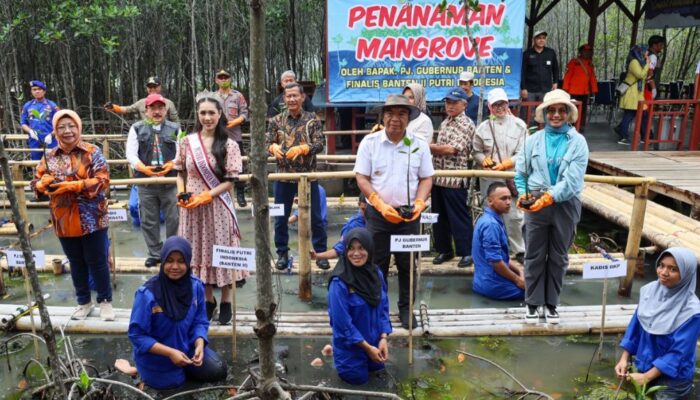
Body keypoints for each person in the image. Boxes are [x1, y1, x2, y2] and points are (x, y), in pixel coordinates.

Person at [354, 94, 433, 329]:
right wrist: (377, 202)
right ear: (383, 116)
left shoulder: (418, 144)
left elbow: (427, 178)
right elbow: (362, 177)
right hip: (379, 215)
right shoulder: (370, 143)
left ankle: (406, 308)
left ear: (409, 118)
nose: (395, 119)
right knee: (377, 264)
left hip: (409, 216)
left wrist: (420, 202)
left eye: (401, 114)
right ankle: (379, 309)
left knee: (408, 264)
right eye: (390, 113)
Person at [31, 110, 114, 321]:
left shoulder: (91, 152)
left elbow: (103, 180)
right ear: (55, 130)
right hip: (63, 219)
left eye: (71, 126)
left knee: (97, 261)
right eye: (61, 127)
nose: (67, 131)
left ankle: (105, 301)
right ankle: (83, 302)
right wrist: (40, 185)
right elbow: (37, 184)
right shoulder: (49, 156)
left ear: (79, 127)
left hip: (92, 217)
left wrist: (77, 185)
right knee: (75, 261)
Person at [514, 89, 588, 324]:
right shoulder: (533, 139)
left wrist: (550, 196)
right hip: (535, 201)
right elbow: (521, 173)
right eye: (551, 111)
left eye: (561, 110)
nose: (556, 115)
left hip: (565, 203)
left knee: (558, 255)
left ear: (568, 113)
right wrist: (523, 193)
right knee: (534, 253)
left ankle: (551, 303)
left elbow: (573, 180)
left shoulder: (578, 142)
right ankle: (533, 303)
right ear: (544, 114)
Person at [175, 93, 248, 325]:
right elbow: (180, 172)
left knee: (220, 250)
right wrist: (181, 193)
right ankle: (207, 299)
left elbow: (230, 181)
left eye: (212, 113)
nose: (207, 117)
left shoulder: (229, 144)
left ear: (220, 115)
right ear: (198, 115)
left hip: (217, 206)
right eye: (203, 113)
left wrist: (208, 194)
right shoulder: (187, 142)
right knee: (198, 251)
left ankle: (226, 299)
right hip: (192, 208)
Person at [127, 236, 227, 390]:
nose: (174, 266)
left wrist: (199, 343)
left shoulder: (195, 287)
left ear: (188, 263)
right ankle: (138, 368)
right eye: (169, 261)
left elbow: (199, 321)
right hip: (158, 356)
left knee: (218, 370)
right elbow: (137, 335)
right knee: (174, 386)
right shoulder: (147, 294)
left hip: (187, 348)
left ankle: (185, 365)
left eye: (181, 261)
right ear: (162, 262)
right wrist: (170, 353)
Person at [615, 248, 700, 399]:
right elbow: (635, 328)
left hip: (673, 378)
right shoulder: (649, 292)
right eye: (661, 265)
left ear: (687, 274)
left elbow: (678, 353)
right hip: (644, 364)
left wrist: (647, 377)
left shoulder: (692, 311)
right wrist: (624, 358)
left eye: (673, 269)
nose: (663, 272)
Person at [266, 83, 329, 270]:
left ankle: (320, 254)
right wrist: (272, 147)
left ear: (302, 98)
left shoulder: (312, 119)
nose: (292, 99)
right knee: (281, 218)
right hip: (283, 178)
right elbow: (266, 142)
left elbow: (320, 144)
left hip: (308, 176)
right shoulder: (276, 120)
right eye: (288, 96)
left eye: (295, 96)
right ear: (284, 99)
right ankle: (282, 253)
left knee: (317, 217)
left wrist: (304, 148)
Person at [327, 228, 392, 385]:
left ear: (369, 249)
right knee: (357, 383)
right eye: (351, 248)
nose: (356, 254)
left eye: (361, 248)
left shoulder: (376, 273)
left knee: (379, 377)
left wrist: (383, 338)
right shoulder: (339, 283)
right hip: (351, 351)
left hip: (376, 344)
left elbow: (383, 307)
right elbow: (343, 325)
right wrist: (367, 348)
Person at [126, 94, 181, 267]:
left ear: (166, 110)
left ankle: (172, 251)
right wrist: (143, 168)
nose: (157, 112)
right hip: (145, 181)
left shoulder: (175, 128)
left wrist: (172, 164)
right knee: (148, 219)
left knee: (174, 218)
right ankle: (155, 253)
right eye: (153, 108)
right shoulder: (136, 128)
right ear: (146, 110)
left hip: (170, 180)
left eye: (160, 108)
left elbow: (181, 152)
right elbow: (131, 154)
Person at [473, 88, 526, 263]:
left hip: (511, 177)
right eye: (495, 104)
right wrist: (484, 160)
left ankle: (519, 250)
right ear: (489, 106)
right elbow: (476, 151)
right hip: (489, 179)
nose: (499, 107)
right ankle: (491, 250)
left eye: (502, 103)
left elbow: (524, 152)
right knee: (490, 214)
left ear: (507, 103)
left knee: (514, 216)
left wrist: (508, 163)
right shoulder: (483, 128)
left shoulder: (519, 125)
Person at [429, 87, 475, 268]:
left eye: (454, 102)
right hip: (439, 177)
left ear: (464, 104)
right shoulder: (445, 122)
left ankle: (467, 252)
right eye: (448, 102)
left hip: (455, 179)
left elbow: (451, 149)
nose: (450, 106)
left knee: (459, 217)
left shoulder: (466, 124)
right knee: (438, 217)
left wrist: (426, 146)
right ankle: (444, 250)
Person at [472, 182, 525, 301]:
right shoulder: (491, 225)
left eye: (509, 198)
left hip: (483, 281)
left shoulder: (489, 218)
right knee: (540, 291)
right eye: (503, 198)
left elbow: (501, 257)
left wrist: (519, 270)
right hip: (493, 285)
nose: (508, 202)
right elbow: (496, 263)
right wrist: (518, 280)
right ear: (490, 201)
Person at [214, 69, 249, 207]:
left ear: (230, 79)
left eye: (226, 77)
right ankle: (220, 193)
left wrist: (236, 121)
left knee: (239, 166)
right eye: (220, 78)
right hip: (217, 137)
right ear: (216, 80)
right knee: (217, 165)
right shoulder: (212, 96)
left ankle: (240, 193)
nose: (223, 80)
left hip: (235, 137)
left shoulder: (237, 96)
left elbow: (245, 113)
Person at [310, 194, 367, 261]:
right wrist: (317, 256)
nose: (366, 213)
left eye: (369, 210)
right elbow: (340, 248)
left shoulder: (380, 220)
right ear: (359, 205)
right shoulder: (353, 224)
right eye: (363, 209)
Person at [614, 45, 650, 145]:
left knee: (642, 115)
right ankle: (623, 137)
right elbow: (640, 75)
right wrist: (647, 65)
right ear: (640, 52)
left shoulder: (640, 62)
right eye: (646, 51)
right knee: (629, 114)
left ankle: (644, 136)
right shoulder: (634, 62)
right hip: (631, 94)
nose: (647, 54)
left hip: (637, 94)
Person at [520, 31, 559, 122]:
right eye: (539, 38)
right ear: (534, 39)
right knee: (527, 114)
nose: (541, 40)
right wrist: (523, 88)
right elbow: (522, 72)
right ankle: (526, 133)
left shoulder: (550, 52)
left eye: (543, 38)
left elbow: (555, 69)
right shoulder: (527, 53)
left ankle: (542, 133)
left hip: (545, 89)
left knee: (544, 113)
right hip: (529, 90)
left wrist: (555, 82)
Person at [105, 76, 179, 122]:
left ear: (160, 87)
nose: (152, 89)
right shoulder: (141, 103)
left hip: (164, 136)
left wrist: (179, 138)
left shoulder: (169, 103)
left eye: (155, 86)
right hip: (146, 136)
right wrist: (114, 107)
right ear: (147, 88)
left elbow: (175, 121)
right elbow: (128, 109)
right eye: (150, 87)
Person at [20, 80, 59, 161]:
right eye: (34, 89)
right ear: (31, 91)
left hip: (50, 139)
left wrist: (52, 135)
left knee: (52, 163)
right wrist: (30, 131)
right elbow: (23, 123)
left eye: (39, 89)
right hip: (34, 139)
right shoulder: (27, 106)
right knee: (36, 163)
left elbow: (59, 123)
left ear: (44, 91)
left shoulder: (52, 105)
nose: (37, 91)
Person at [562, 43, 598, 130]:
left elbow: (592, 78)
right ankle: (569, 125)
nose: (587, 53)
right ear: (580, 52)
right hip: (573, 91)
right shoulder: (574, 62)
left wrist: (594, 90)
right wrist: (565, 89)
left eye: (589, 51)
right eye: (585, 51)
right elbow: (567, 76)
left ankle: (579, 126)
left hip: (584, 92)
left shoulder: (590, 64)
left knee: (582, 110)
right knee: (571, 109)